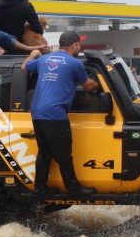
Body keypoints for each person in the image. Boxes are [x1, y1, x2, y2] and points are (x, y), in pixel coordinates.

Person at [22, 31, 98, 200]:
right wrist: (97, 83)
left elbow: (24, 66)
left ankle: (40, 190)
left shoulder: (43, 59)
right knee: (64, 155)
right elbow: (88, 87)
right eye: (79, 44)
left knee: (45, 153)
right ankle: (74, 189)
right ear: (74, 46)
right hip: (55, 114)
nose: (80, 46)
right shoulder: (74, 63)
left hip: (37, 112)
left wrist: (33, 54)